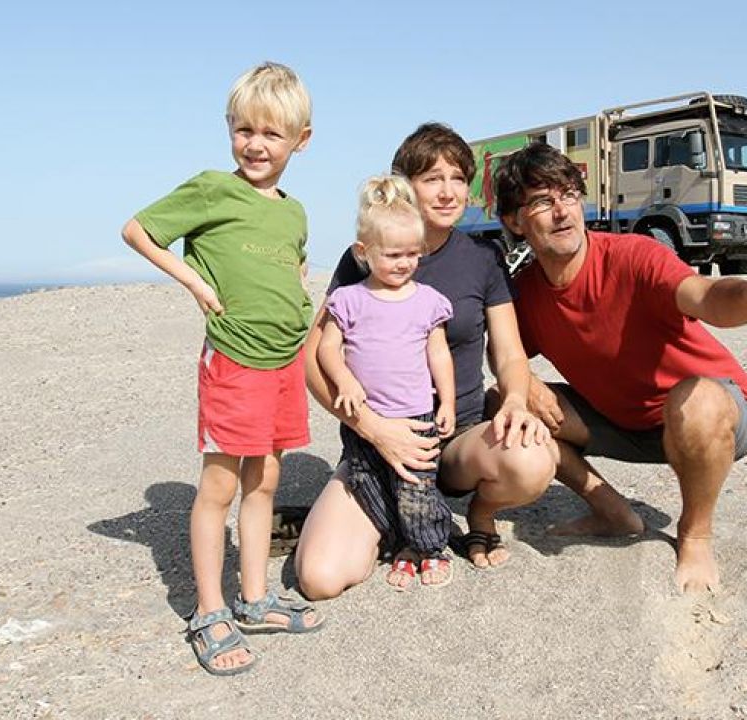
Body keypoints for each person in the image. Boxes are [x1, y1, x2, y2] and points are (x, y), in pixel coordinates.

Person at [494, 142, 747, 593]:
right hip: (623, 423)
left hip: (711, 418)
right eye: (542, 201)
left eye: (569, 194)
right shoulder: (527, 293)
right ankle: (611, 509)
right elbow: (506, 356)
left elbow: (706, 295)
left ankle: (695, 534)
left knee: (699, 401)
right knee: (505, 401)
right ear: (514, 220)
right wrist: (525, 385)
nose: (562, 211)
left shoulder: (634, 256)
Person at [120, 62, 323, 676]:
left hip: (284, 362)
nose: (255, 145)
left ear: (300, 140)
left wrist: (298, 292)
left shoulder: (294, 212)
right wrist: (194, 283)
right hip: (234, 360)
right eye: (243, 130)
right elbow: (138, 230)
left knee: (264, 481)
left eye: (271, 134)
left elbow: (290, 262)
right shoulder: (213, 188)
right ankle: (210, 610)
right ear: (230, 131)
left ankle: (255, 597)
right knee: (220, 487)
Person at [296, 124, 555, 598]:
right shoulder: (367, 259)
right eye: (433, 178)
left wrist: (516, 400)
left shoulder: (484, 259)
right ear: (404, 183)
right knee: (319, 577)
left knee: (533, 461)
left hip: (454, 440)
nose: (448, 191)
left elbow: (510, 353)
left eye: (458, 178)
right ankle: (397, 522)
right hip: (375, 441)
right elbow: (313, 359)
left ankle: (477, 516)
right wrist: (373, 428)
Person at [317, 175, 458, 590]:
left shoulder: (427, 300)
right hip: (365, 419)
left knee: (415, 490)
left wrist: (445, 402)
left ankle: (430, 548)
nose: (404, 263)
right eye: (393, 254)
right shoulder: (349, 299)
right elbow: (327, 349)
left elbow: (439, 354)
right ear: (364, 252)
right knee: (372, 486)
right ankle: (401, 545)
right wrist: (344, 379)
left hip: (415, 417)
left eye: (413, 254)